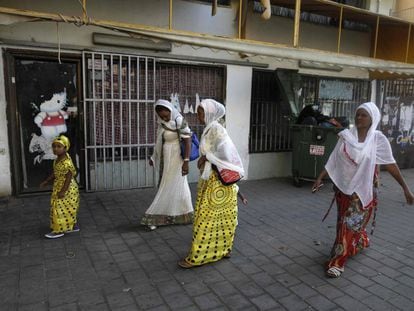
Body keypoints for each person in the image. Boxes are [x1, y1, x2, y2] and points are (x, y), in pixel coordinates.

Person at [313, 102, 414, 278]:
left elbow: (390, 164)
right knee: (344, 221)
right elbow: (334, 159)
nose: (359, 118)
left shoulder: (378, 139)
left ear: (372, 119)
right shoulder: (345, 136)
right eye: (357, 114)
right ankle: (358, 242)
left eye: (363, 115)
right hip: (343, 187)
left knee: (349, 223)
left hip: (363, 188)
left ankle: (337, 261)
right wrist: (320, 177)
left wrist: (405, 188)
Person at [178, 99, 245, 268]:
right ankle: (223, 249)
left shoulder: (216, 129)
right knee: (221, 218)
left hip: (218, 182)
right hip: (213, 181)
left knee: (206, 219)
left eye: (201, 112)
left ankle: (198, 256)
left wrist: (206, 157)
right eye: (199, 112)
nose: (198, 115)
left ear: (209, 113)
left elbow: (227, 153)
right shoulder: (210, 128)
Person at [140, 99, 193, 230]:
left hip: (177, 158)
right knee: (174, 185)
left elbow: (188, 141)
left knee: (171, 185)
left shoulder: (179, 120)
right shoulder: (162, 123)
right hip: (166, 158)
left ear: (171, 110)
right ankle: (182, 214)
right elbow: (159, 141)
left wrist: (186, 162)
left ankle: (155, 216)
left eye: (166, 115)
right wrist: (154, 157)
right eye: (161, 116)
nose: (164, 118)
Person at [40, 135, 80, 239]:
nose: (55, 149)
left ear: (65, 148)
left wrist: (63, 191)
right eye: (54, 146)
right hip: (59, 186)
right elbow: (55, 172)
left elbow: (68, 178)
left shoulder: (67, 162)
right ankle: (72, 226)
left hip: (67, 189)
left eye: (59, 146)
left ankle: (58, 231)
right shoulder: (58, 159)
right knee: (67, 208)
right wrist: (47, 181)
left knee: (58, 209)